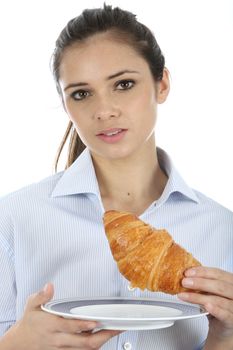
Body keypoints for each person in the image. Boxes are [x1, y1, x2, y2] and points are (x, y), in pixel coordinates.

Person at [0, 3, 232, 350]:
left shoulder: (222, 229)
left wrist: (225, 336)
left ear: (162, 84)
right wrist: (17, 343)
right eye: (81, 93)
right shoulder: (14, 218)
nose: (104, 110)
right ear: (66, 105)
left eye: (123, 84)